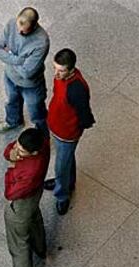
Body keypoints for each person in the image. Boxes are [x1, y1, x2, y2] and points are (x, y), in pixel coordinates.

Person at [44, 48, 95, 215]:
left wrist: (74, 130)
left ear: (71, 69)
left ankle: (62, 195)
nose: (57, 74)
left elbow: (86, 117)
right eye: (55, 68)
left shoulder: (77, 89)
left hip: (67, 134)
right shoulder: (62, 77)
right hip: (57, 126)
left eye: (61, 70)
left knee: (61, 167)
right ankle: (67, 182)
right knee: (66, 162)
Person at [0, 128, 50, 267]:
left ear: (33, 153)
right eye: (18, 145)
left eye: (21, 150)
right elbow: (10, 149)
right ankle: (40, 249)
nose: (17, 150)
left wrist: (11, 168)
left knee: (18, 241)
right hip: (34, 195)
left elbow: (10, 193)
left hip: (20, 204)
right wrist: (12, 152)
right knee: (34, 218)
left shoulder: (30, 173)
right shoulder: (41, 143)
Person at [0, 7, 50, 136]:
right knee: (11, 101)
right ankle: (13, 121)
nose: (19, 32)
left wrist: (9, 54)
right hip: (10, 77)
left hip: (31, 85)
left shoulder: (41, 42)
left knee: (37, 112)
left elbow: (27, 73)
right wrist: (20, 60)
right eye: (18, 26)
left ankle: (42, 135)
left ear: (35, 26)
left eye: (24, 32)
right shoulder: (11, 24)